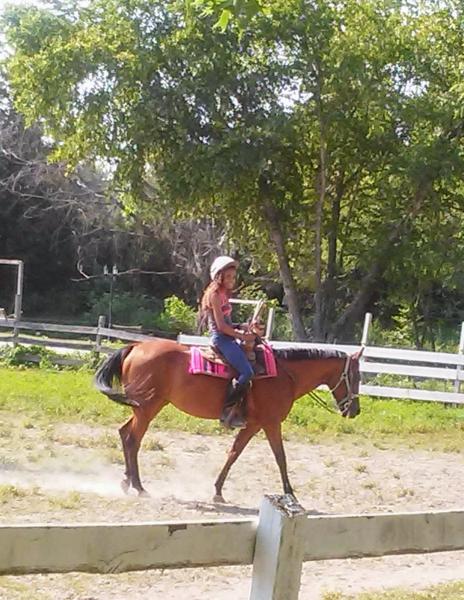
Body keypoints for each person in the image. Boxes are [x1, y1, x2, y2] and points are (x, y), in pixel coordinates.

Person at [200, 256, 255, 429]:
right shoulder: (215, 295)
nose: (232, 280)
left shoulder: (223, 294)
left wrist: (242, 326)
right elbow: (222, 327)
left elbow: (228, 323)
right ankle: (228, 410)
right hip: (221, 339)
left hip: (227, 336)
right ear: (219, 277)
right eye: (228, 277)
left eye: (233, 276)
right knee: (247, 371)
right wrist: (241, 336)